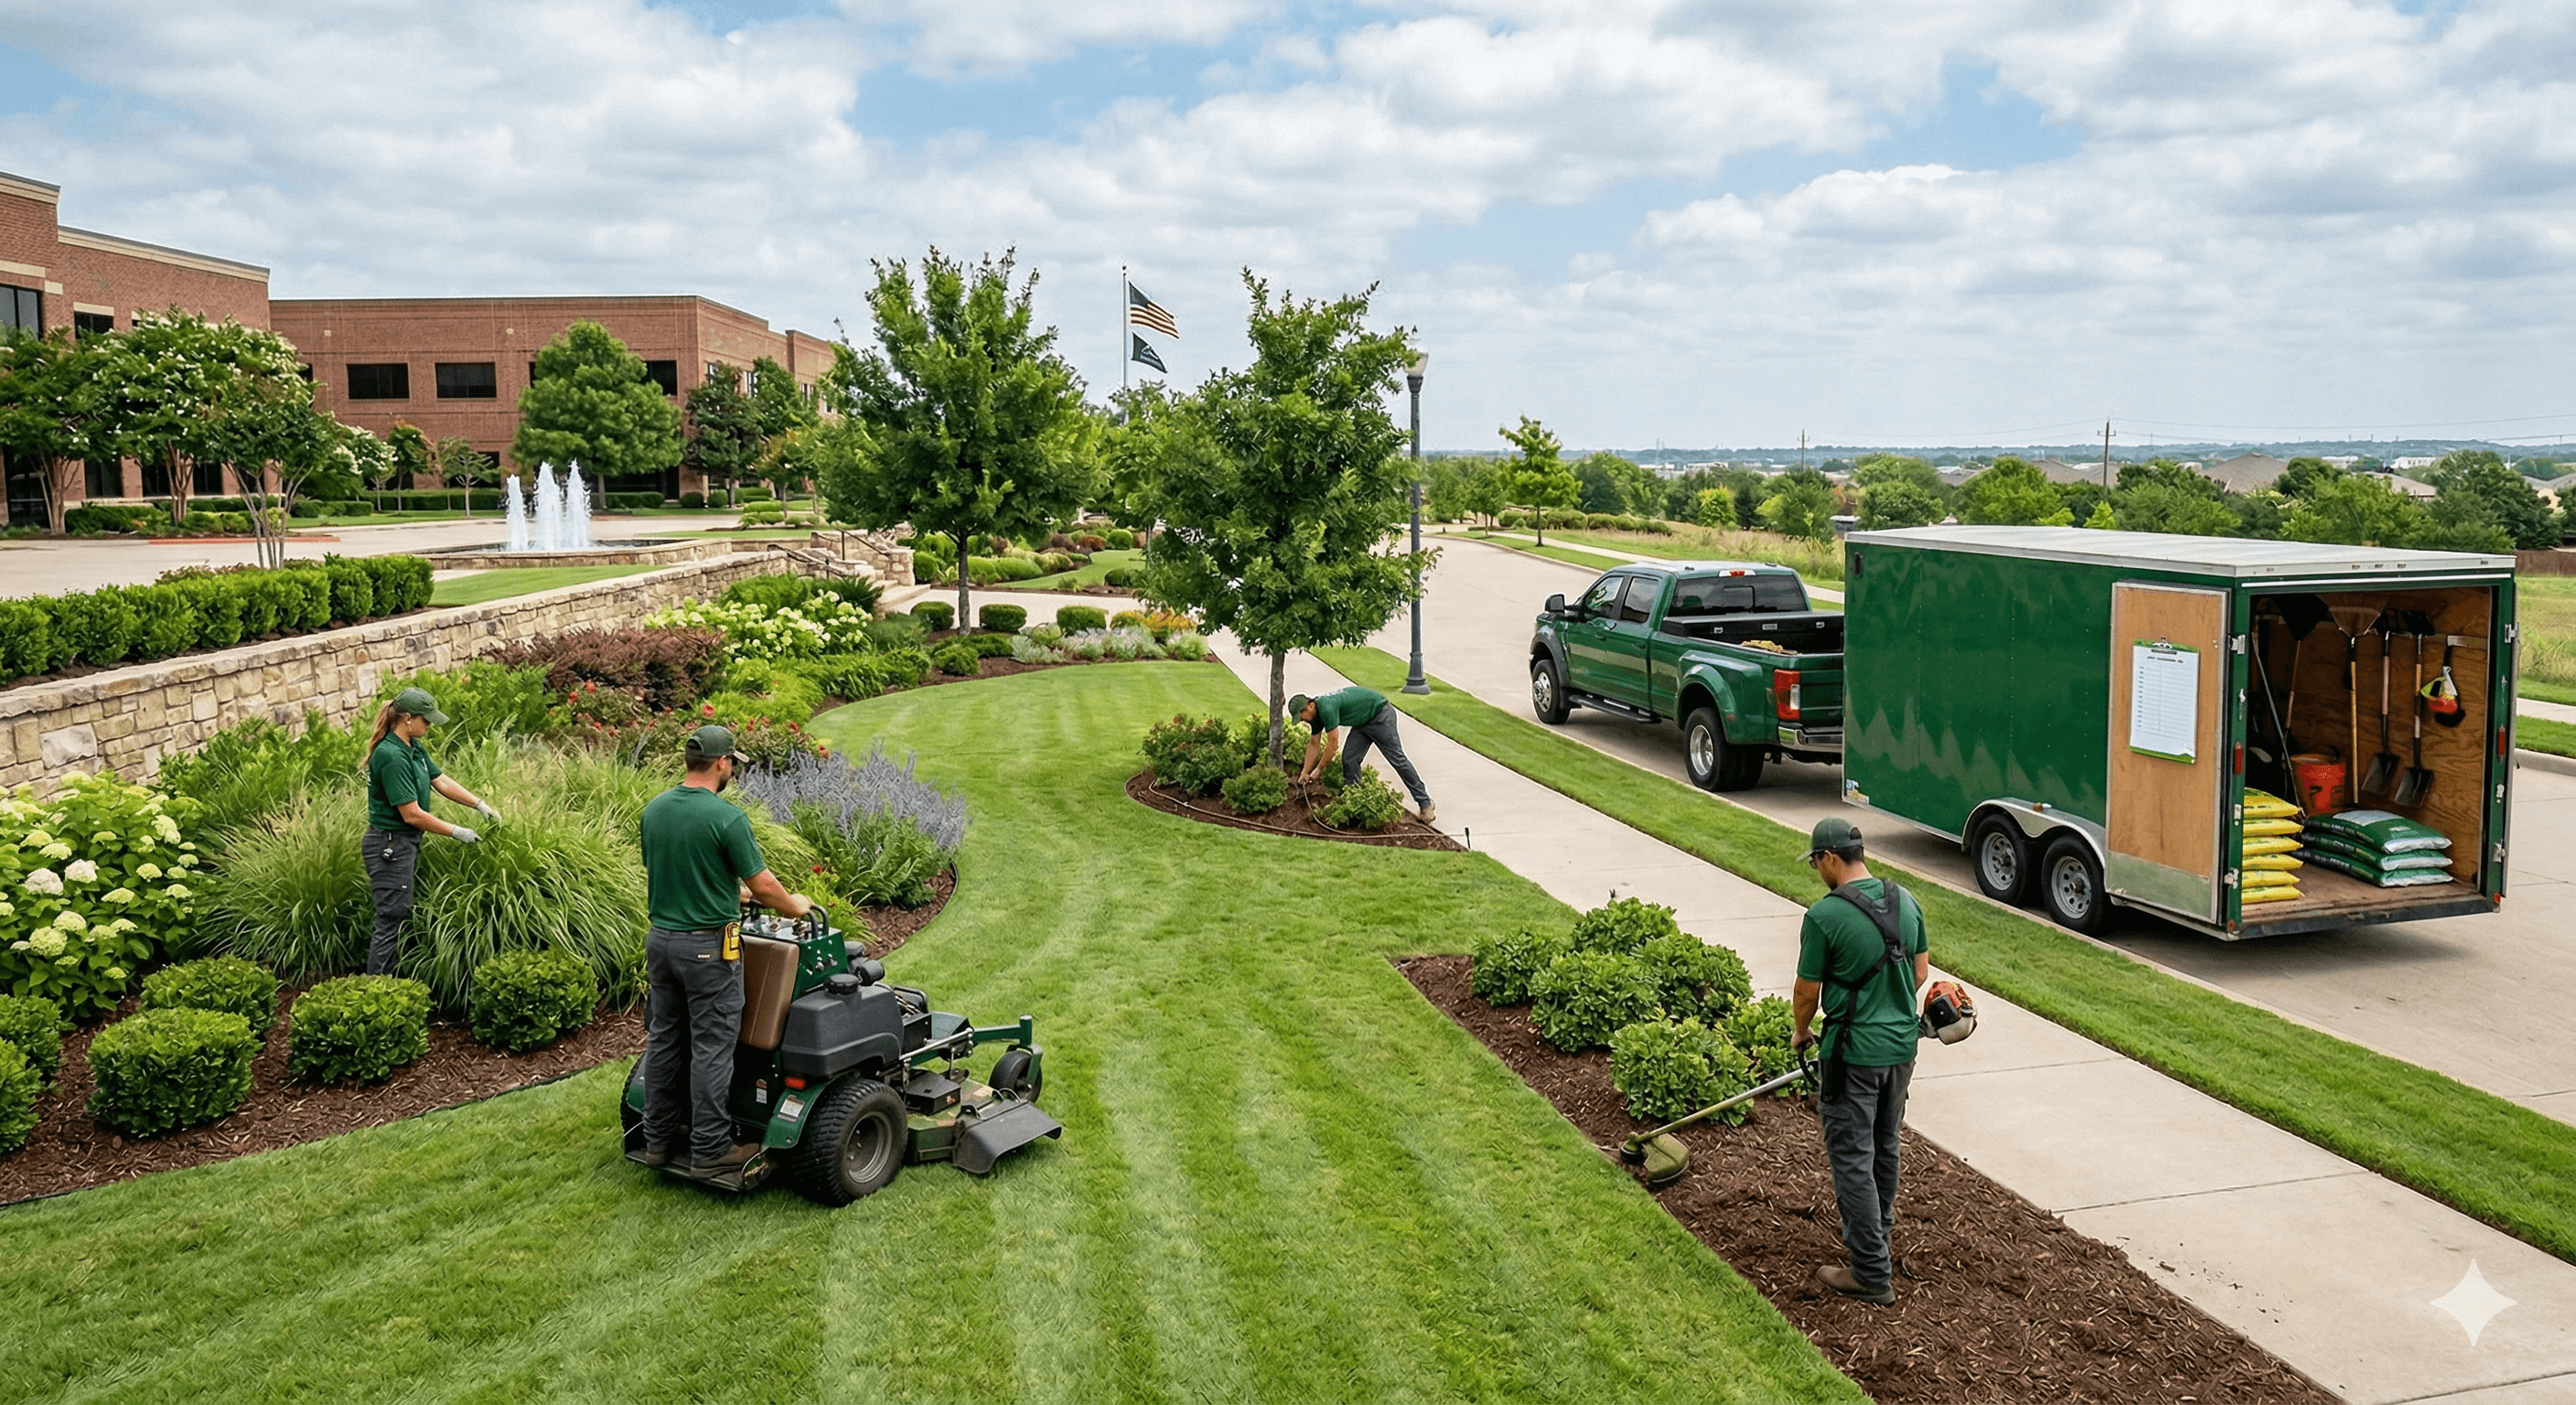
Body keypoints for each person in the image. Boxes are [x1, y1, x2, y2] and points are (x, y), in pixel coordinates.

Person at [637, 724, 811, 1181]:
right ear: (721, 763)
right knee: (714, 1046)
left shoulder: (655, 810)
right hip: (707, 950)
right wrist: (795, 906)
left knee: (666, 1039)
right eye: (733, 763)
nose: (732, 770)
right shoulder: (725, 817)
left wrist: (728, 895)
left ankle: (657, 1139)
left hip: (661, 943)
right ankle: (711, 1148)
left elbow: (677, 871)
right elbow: (767, 885)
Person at [1788, 816, 1927, 1306]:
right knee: (1884, 1147)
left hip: (1853, 1055)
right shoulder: (1905, 900)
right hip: (1901, 1050)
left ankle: (1870, 1272)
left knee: (1852, 1158)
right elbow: (1920, 970)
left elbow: (1807, 991)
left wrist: (1802, 1031)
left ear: (1829, 858)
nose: (1816, 872)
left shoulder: (1825, 916)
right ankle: (1878, 1243)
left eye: (1815, 862)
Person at [362, 687, 499, 977]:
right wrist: (456, 831)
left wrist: (479, 804)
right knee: (391, 919)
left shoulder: (412, 746)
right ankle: (378, 987)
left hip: (403, 844)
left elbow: (441, 781)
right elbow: (411, 814)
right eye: (427, 720)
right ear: (408, 718)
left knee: (398, 915)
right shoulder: (392, 755)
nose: (430, 726)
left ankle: (391, 983)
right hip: (390, 846)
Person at [1289, 686, 1435, 823]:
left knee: (1397, 760)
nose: (1303, 720)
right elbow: (1314, 744)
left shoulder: (1326, 708)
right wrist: (1305, 772)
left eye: (1302, 716)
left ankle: (1425, 803)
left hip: (1379, 715)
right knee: (1349, 759)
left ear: (1310, 706)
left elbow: (1332, 746)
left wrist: (1318, 770)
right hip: (1362, 721)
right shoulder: (1315, 716)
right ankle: (1353, 803)